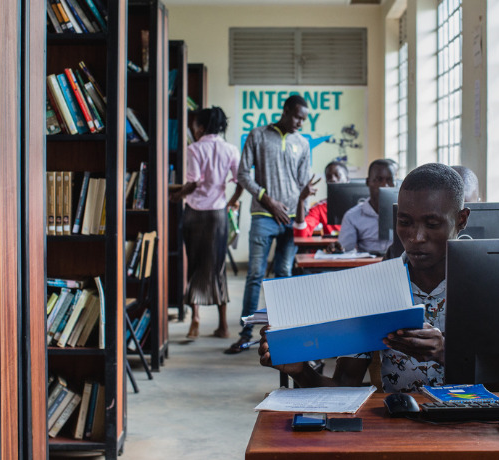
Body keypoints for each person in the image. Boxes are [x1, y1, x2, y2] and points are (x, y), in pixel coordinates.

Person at [259, 162, 470, 392]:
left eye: (432, 224)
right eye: (405, 222)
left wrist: (444, 353)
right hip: (400, 426)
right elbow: (343, 386)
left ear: (461, 220)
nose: (416, 237)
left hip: (477, 424)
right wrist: (301, 371)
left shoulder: (486, 285)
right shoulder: (372, 289)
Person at [226, 95, 311, 354]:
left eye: (304, 119)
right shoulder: (258, 135)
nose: (300, 123)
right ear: (285, 111)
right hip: (263, 216)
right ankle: (244, 335)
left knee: (284, 276)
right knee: (255, 276)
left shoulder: (302, 143)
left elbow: (302, 184)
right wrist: (267, 200)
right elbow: (242, 175)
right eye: (297, 117)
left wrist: (301, 211)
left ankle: (280, 333)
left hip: (290, 221)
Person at [169, 106, 242, 339]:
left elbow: (193, 184)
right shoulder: (230, 149)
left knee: (195, 266)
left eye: (194, 124)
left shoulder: (195, 149)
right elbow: (241, 182)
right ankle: (223, 325)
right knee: (217, 267)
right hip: (218, 215)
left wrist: (175, 196)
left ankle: (195, 320)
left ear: (200, 127)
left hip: (195, 213)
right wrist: (230, 202)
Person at [327, 158, 396, 256]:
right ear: (368, 182)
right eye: (379, 180)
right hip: (368, 267)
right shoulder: (352, 216)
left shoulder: (404, 214)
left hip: (400, 266)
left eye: (390, 180)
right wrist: (338, 248)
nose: (385, 185)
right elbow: (344, 251)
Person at [293, 161, 350, 237]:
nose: (333, 179)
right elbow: (301, 234)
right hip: (331, 247)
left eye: (337, 175)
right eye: (329, 177)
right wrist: (301, 200)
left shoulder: (360, 206)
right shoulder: (320, 207)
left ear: (347, 179)